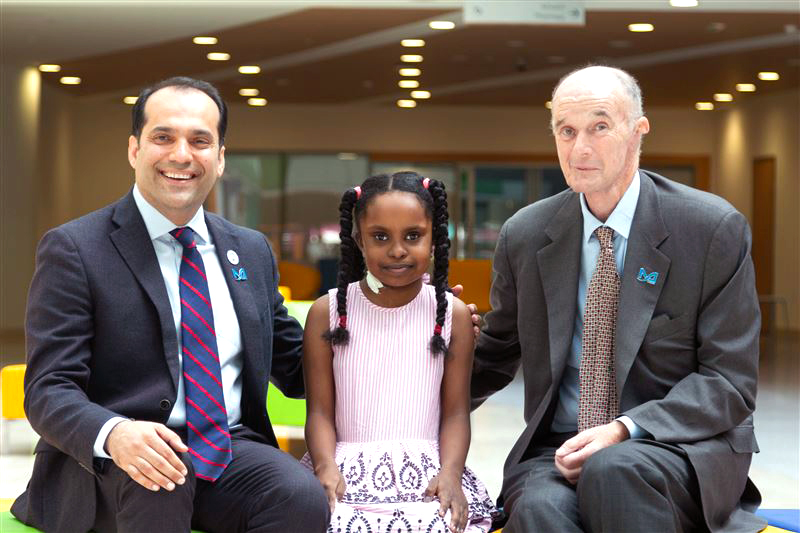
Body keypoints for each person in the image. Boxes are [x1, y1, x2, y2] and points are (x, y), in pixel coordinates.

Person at [11, 77, 330, 532]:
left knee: (299, 497)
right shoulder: (75, 249)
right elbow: (48, 389)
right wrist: (115, 433)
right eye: (163, 137)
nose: (182, 154)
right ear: (134, 150)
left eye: (200, 140)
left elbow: (299, 367)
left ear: (220, 158)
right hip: (115, 462)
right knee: (162, 480)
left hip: (226, 452)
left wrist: (394, 322)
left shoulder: (250, 250)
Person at [471, 65, 763, 532]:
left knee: (615, 469)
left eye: (599, 127)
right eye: (566, 131)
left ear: (638, 131)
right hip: (562, 447)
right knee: (539, 508)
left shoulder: (710, 229)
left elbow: (729, 382)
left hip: (679, 444)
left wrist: (624, 430)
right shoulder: (525, 235)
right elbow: (495, 354)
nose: (580, 148)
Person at [301, 172, 499, 533]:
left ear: (435, 239)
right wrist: (325, 467)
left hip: (428, 471)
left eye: (413, 235)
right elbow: (319, 412)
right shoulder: (325, 314)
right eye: (380, 237)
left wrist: (451, 474)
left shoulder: (451, 315)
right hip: (344, 467)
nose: (397, 250)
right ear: (359, 239)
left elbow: (456, 411)